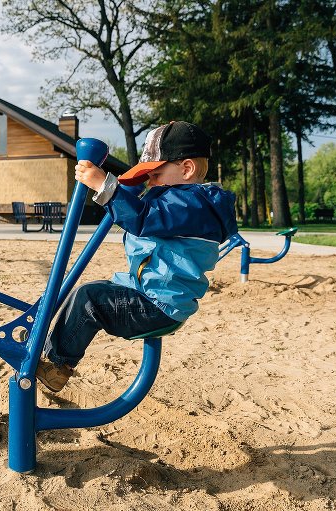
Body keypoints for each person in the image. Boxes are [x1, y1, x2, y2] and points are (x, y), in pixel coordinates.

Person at [35, 120, 238, 392]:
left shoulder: (192, 204)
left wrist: (103, 184)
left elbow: (141, 218)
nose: (149, 183)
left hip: (159, 305)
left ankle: (58, 366)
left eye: (154, 174)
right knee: (86, 291)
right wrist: (124, 185)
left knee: (89, 300)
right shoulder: (184, 201)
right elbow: (135, 211)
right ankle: (48, 351)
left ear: (186, 169)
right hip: (150, 292)